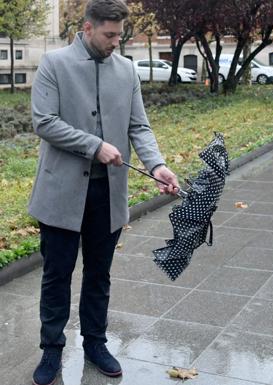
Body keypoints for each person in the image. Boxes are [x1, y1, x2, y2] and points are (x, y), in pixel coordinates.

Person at [29, 1, 179, 384]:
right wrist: (94, 146)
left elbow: (139, 127)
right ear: (88, 28)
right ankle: (51, 350)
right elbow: (44, 122)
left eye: (120, 35)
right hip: (61, 193)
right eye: (110, 35)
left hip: (107, 196)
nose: (116, 42)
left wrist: (157, 166)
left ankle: (95, 342)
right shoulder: (54, 64)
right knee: (56, 275)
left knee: (99, 275)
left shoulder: (126, 69)